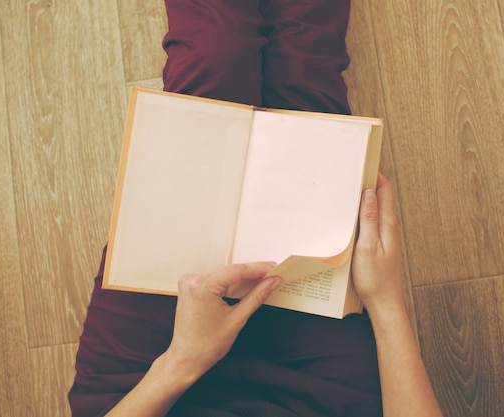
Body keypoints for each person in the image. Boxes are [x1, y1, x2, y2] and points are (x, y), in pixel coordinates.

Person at [69, 1, 444, 416]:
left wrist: (182, 361)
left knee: (211, 65)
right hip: (320, 396)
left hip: (148, 387)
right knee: (307, 86)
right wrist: (386, 299)